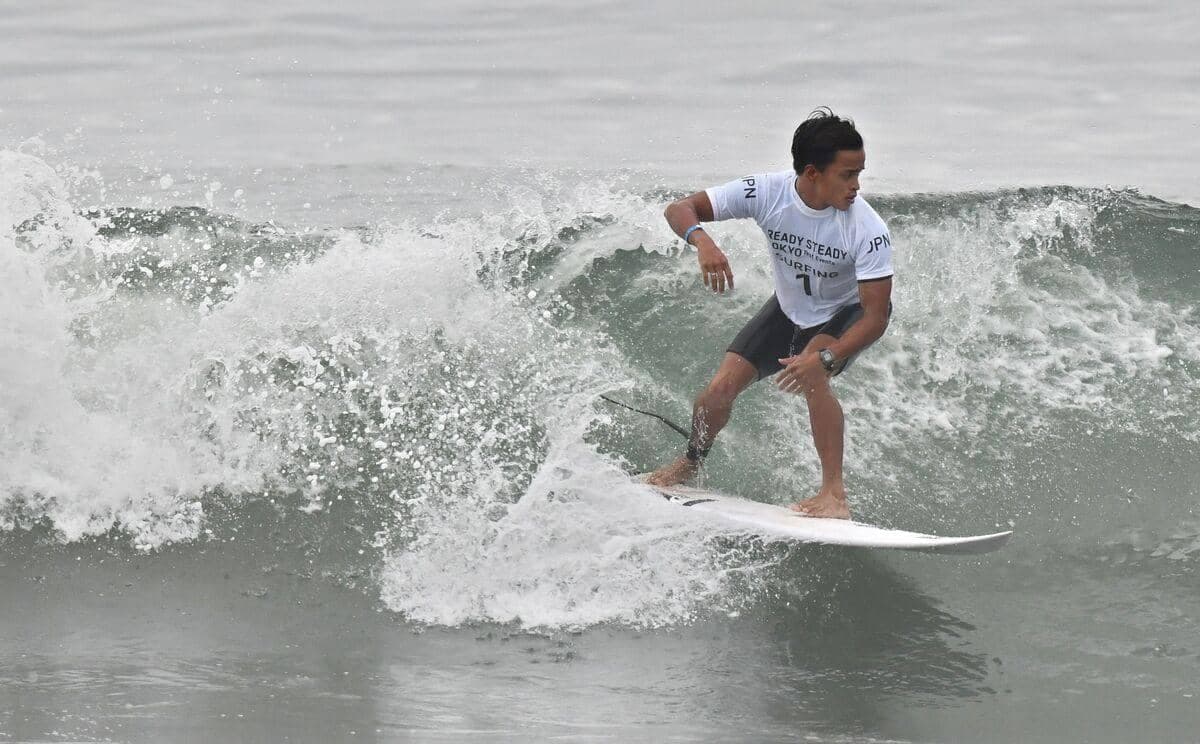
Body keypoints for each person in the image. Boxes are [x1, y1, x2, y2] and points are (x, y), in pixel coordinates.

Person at [645, 108, 894, 520]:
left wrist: (826, 359)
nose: (856, 186)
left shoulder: (866, 228)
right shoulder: (768, 192)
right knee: (719, 390)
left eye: (859, 174)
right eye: (846, 175)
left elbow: (876, 316)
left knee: (814, 372)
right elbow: (680, 208)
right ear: (812, 172)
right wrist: (703, 242)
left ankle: (834, 494)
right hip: (789, 308)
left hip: (844, 313)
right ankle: (689, 462)